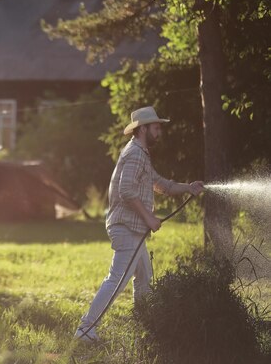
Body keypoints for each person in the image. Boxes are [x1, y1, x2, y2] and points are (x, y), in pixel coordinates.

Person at [74, 106, 204, 342]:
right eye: (155, 127)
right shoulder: (134, 153)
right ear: (142, 129)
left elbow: (160, 184)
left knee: (144, 278)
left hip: (134, 229)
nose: (159, 131)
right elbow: (126, 191)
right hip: (127, 227)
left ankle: (144, 330)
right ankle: (85, 329)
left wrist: (187, 188)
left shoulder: (141, 153)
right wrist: (149, 219)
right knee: (117, 279)